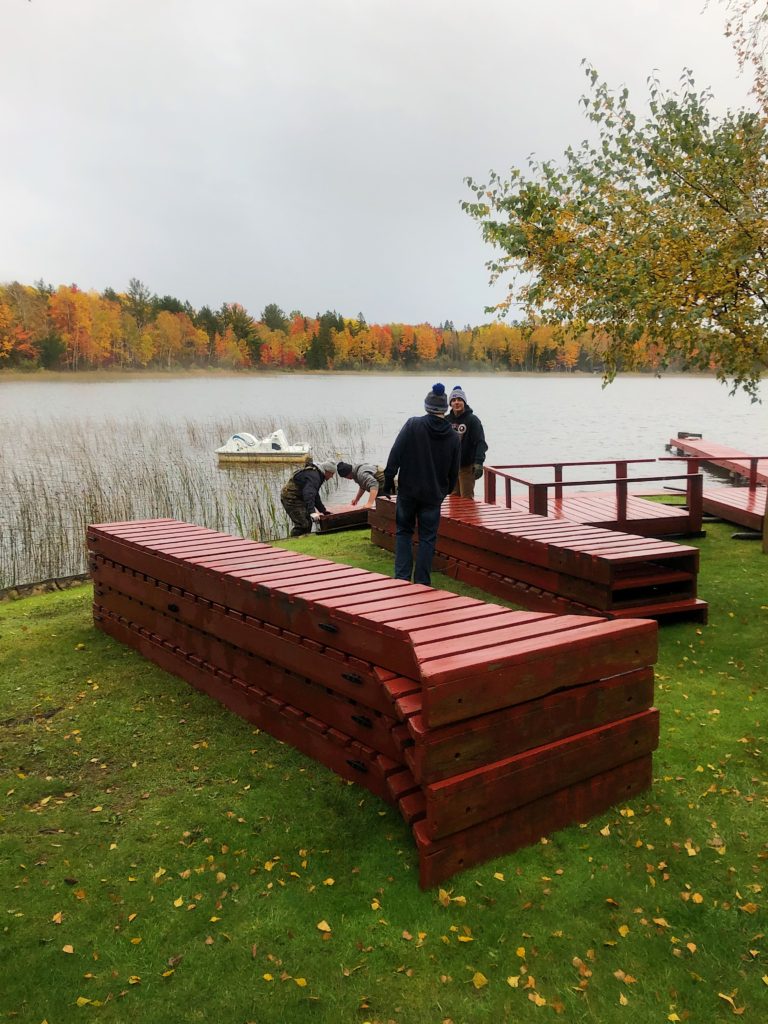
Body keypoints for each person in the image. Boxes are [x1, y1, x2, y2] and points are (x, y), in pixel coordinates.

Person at [381, 382, 460, 586]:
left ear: (427, 406)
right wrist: (445, 490)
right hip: (433, 495)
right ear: (445, 409)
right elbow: (454, 471)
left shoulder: (413, 424)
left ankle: (402, 579)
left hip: (408, 491)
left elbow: (395, 454)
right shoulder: (453, 437)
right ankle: (422, 582)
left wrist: (388, 481)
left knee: (404, 532)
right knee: (427, 538)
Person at [447, 384, 488, 499]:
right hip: (451, 467)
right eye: (453, 400)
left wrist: (479, 463)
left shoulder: (473, 420)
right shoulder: (446, 420)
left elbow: (481, 443)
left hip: (466, 466)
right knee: (453, 497)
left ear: (464, 402)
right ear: (450, 403)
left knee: (466, 498)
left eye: (459, 399)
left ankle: (469, 517)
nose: (456, 402)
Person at [280, 460, 336, 537]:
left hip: (298, 497)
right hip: (291, 498)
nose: (332, 476)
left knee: (308, 522)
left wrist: (323, 511)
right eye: (332, 474)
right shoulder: (315, 476)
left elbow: (315, 495)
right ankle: (292, 540)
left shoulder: (318, 474)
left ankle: (303, 540)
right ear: (327, 471)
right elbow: (309, 494)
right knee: (303, 524)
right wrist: (312, 512)